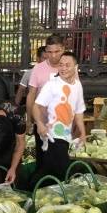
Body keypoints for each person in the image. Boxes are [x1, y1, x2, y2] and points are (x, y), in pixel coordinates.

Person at [32, 51, 86, 183]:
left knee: (49, 171)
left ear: (76, 67)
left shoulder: (77, 85)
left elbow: (79, 112)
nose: (63, 68)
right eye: (61, 65)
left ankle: (32, 188)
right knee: (61, 171)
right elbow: (36, 106)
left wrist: (83, 133)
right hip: (52, 135)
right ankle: (32, 188)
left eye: (67, 65)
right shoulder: (52, 84)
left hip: (66, 136)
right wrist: (39, 124)